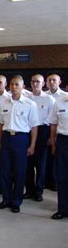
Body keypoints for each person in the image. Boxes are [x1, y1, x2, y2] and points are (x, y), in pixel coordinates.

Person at [0, 75, 38, 213]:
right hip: (7, 137)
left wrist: (32, 145)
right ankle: (6, 199)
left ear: (23, 87)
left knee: (19, 172)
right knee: (5, 171)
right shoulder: (3, 103)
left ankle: (16, 201)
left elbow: (34, 127)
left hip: (21, 139)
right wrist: (0, 142)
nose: (14, 87)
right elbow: (0, 123)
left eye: (17, 85)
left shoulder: (30, 104)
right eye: (12, 84)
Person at [24, 75, 54, 202]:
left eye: (38, 82)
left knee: (41, 165)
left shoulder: (49, 99)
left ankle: (39, 191)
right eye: (33, 81)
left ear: (43, 84)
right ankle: (29, 190)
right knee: (28, 164)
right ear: (31, 83)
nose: (35, 84)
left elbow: (52, 118)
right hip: (28, 131)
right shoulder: (26, 98)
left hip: (42, 131)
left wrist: (49, 137)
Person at [48, 91, 68, 219]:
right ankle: (63, 208)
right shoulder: (59, 102)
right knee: (62, 176)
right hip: (63, 141)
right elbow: (53, 124)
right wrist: (54, 144)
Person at [45, 74, 66, 191]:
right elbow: (52, 122)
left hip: (60, 132)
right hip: (49, 131)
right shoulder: (46, 96)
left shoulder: (63, 96)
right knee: (48, 159)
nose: (52, 82)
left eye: (54, 80)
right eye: (50, 80)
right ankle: (47, 181)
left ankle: (54, 182)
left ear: (60, 82)